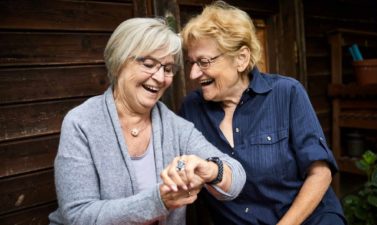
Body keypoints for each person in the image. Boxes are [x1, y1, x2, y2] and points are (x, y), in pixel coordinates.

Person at [48, 17, 246, 225]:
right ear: (119, 63)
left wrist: (211, 170)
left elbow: (237, 177)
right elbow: (78, 215)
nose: (160, 77)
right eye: (149, 64)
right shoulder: (82, 123)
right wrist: (159, 201)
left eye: (168, 69)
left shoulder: (175, 127)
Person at [179, 1, 346, 225]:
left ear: (241, 59)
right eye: (191, 62)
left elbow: (321, 173)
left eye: (204, 62)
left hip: (308, 219)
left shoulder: (286, 93)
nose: (193, 74)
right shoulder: (191, 110)